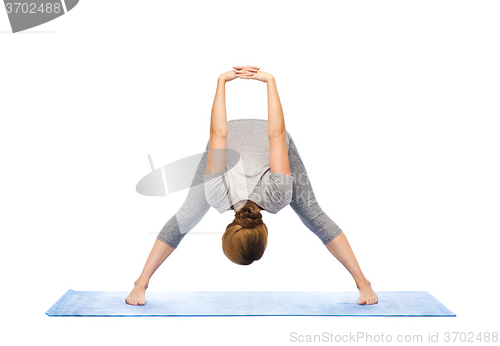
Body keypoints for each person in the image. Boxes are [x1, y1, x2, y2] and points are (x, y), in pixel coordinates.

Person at [126, 66, 378, 306]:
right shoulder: (264, 195)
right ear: (227, 230)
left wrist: (265, 81)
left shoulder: (224, 194)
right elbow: (269, 135)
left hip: (233, 140)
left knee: (188, 216)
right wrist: (228, 81)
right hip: (243, 139)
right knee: (313, 216)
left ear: (265, 232)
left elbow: (224, 136)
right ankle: (140, 283)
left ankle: (364, 284)